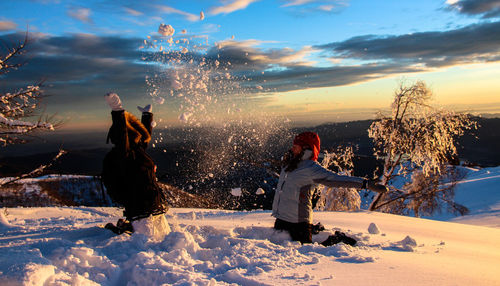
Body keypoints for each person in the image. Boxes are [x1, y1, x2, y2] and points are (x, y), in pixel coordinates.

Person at [272, 131, 388, 246]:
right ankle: (315, 230)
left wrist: (365, 183)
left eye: (295, 147)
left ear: (306, 149)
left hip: (298, 222)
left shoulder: (311, 168)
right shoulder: (290, 164)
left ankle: (336, 239)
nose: (292, 149)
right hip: (281, 219)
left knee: (307, 251)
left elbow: (336, 180)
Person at [102, 92, 170, 239]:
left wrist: (147, 116)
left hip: (154, 206)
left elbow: (144, 138)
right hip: (140, 209)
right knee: (148, 243)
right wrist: (117, 110)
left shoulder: (136, 151)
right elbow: (122, 136)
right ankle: (120, 231)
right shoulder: (123, 154)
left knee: (165, 238)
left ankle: (126, 228)